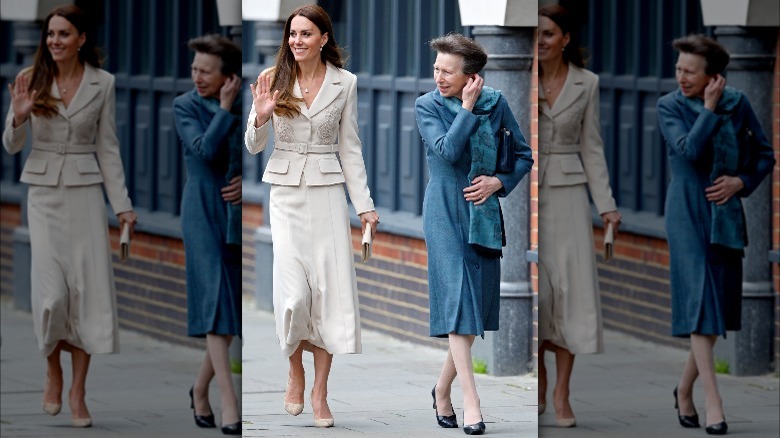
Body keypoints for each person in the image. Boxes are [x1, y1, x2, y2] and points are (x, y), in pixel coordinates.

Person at [2, 5, 136, 428]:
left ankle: (78, 390)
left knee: (86, 297)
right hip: (43, 196)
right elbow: (10, 143)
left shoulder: (104, 83)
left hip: (84, 196)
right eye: (50, 34)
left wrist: (123, 206)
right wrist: (20, 115)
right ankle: (52, 369)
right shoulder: (30, 79)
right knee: (52, 297)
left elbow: (108, 148)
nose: (54, 41)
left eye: (63, 34)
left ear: (81, 39)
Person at [245, 4, 379, 429]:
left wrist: (365, 207)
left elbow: (350, 148)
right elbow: (252, 144)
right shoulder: (272, 79)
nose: (297, 41)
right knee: (294, 297)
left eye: (306, 34)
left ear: (324, 38)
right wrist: (261, 117)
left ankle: (320, 391)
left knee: (328, 297)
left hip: (327, 196)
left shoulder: (346, 83)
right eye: (292, 34)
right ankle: (294, 369)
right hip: (285, 195)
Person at [415, 33, 533, 435]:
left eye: (447, 71)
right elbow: (447, 151)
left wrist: (498, 183)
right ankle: (472, 401)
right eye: (436, 69)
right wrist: (465, 109)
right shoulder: (427, 105)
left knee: (473, 310)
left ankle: (442, 389)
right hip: (445, 210)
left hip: (482, 212)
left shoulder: (496, 103)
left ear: (471, 76)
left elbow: (522, 155)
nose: (438, 77)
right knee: (459, 300)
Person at [657, 34, 774, 436]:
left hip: (724, 213)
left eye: (690, 71)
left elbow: (764, 154)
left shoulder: (738, 103)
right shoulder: (669, 105)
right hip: (687, 212)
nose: (681, 77)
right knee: (701, 301)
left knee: (714, 308)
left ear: (713, 76)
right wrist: (707, 110)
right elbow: (688, 151)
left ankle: (684, 389)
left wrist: (741, 182)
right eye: (678, 69)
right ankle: (714, 403)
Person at [536, 5, 621, 428]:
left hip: (569, 197)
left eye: (548, 34)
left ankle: (563, 392)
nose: (540, 40)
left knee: (570, 293)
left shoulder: (588, 83)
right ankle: (539, 378)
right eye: (535, 34)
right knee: (539, 292)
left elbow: (593, 147)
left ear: (565, 38)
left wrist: (606, 205)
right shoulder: (521, 77)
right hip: (527, 196)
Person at [172, 34, 242, 435]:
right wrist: (227, 107)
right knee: (216, 302)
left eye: (206, 71)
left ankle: (199, 389)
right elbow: (202, 150)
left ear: (226, 76)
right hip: (199, 209)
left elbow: (254, 151)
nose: (197, 77)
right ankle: (228, 402)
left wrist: (242, 181)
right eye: (194, 69)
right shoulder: (185, 105)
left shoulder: (245, 103)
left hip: (231, 213)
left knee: (228, 313)